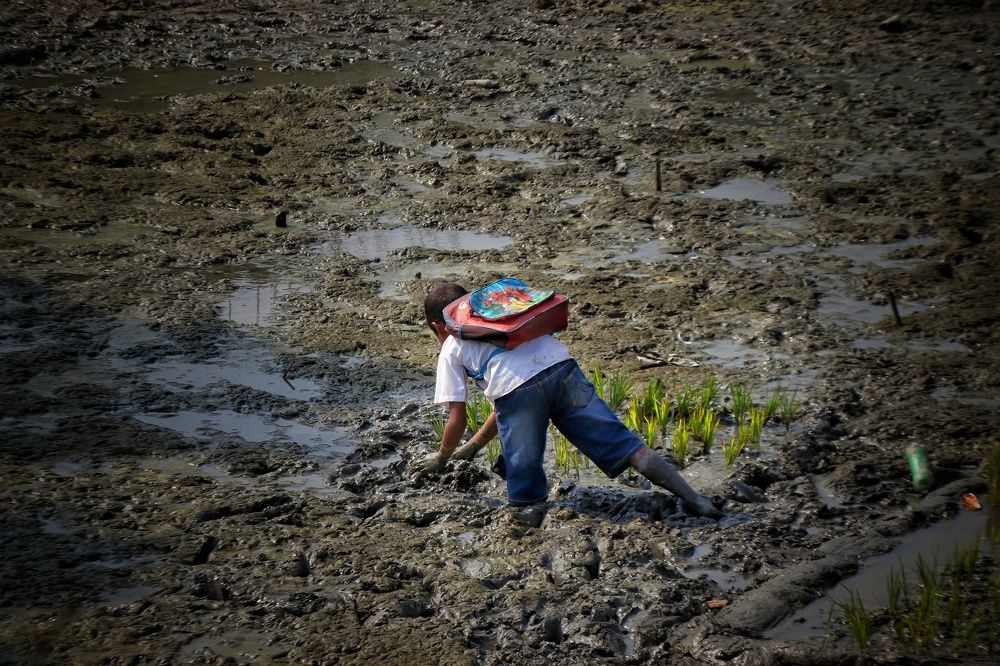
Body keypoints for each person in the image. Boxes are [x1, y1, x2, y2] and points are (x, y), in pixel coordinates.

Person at [412, 282, 722, 519]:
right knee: (629, 448)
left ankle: (528, 533)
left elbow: (459, 418)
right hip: (563, 369)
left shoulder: (452, 345)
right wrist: (474, 446)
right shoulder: (502, 319)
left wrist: (442, 457)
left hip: (517, 393)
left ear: (438, 327)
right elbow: (506, 404)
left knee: (524, 480)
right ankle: (697, 500)